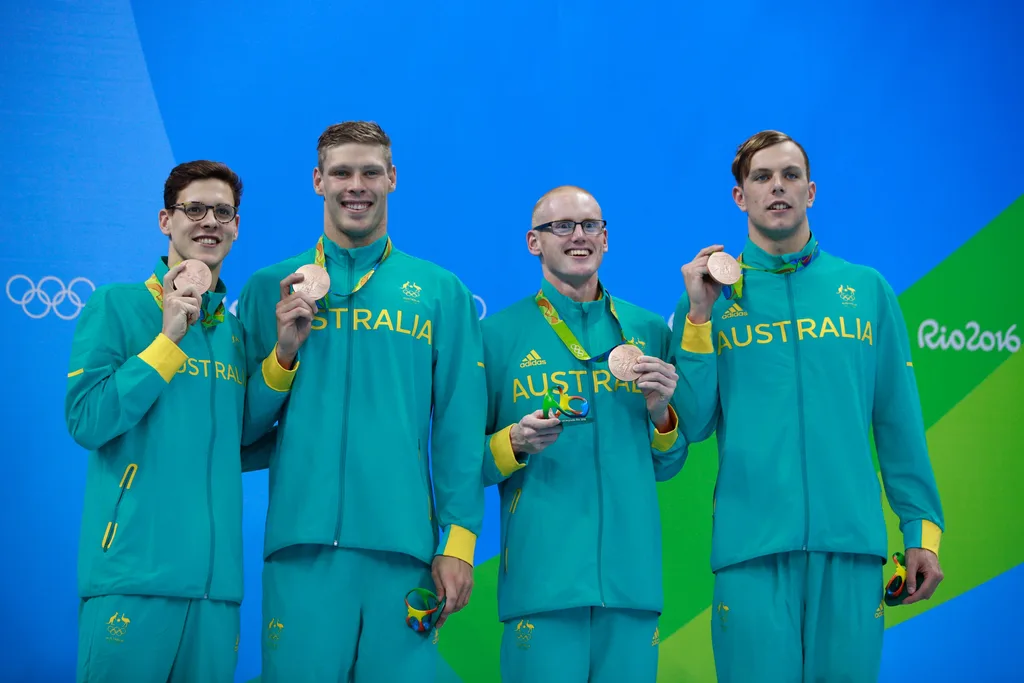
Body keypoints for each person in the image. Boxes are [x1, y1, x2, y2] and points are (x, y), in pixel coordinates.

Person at [671, 130, 946, 682]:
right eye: (762, 177)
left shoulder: (866, 291)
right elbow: (693, 423)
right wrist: (699, 317)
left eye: (790, 176)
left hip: (851, 549)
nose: (778, 188)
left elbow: (898, 424)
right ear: (739, 197)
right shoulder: (707, 299)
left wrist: (921, 531)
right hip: (750, 553)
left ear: (811, 192)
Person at [236, 120, 486, 682]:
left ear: (392, 179)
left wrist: (459, 543)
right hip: (301, 550)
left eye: (371, 172)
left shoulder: (442, 292)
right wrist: (282, 355)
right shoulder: (269, 289)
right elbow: (241, 432)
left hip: (406, 556)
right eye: (342, 172)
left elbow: (459, 431)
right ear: (317, 180)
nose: (357, 185)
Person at [65, 161, 296, 683]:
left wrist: (282, 360)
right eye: (194, 209)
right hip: (133, 576)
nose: (209, 221)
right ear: (165, 220)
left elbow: (237, 439)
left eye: (223, 211)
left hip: (216, 591)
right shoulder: (117, 306)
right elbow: (87, 419)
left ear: (236, 227)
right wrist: (167, 341)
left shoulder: (234, 334)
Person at [481, 185, 688, 682]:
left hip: (631, 586)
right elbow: (461, 462)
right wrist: (513, 442)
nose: (579, 236)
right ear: (534, 242)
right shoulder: (497, 336)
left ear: (606, 238)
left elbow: (670, 461)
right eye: (562, 226)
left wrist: (661, 414)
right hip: (541, 582)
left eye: (590, 225)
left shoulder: (647, 331)